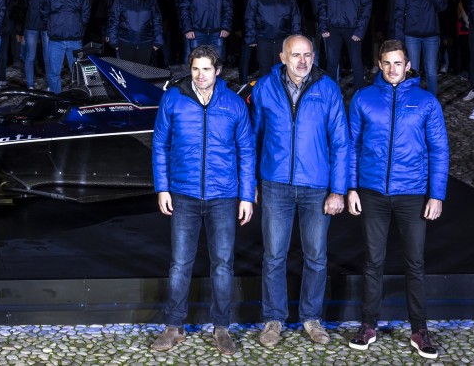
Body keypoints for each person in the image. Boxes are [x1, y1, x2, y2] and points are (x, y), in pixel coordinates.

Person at [347, 40, 449, 359]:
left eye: (398, 63)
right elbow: (351, 145)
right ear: (379, 64)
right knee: (373, 261)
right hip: (373, 192)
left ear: (408, 65)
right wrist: (351, 188)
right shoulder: (363, 98)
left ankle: (419, 329)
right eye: (387, 63)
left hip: (412, 194)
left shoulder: (426, 101)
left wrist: (437, 194)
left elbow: (439, 150)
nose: (393, 70)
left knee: (414, 263)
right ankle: (368, 325)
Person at [150, 44, 255, 356]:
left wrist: (247, 196)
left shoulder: (234, 104)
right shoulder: (174, 99)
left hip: (224, 196)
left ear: (218, 71)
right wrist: (163, 188)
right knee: (180, 263)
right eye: (195, 68)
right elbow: (159, 145)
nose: (200, 75)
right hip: (183, 194)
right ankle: (174, 326)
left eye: (206, 69)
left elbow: (246, 152)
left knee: (222, 264)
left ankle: (221, 328)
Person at [250, 34, 349, 347]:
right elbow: (252, 139)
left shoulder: (328, 88)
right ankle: (273, 319)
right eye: (296, 55)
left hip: (316, 187)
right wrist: (250, 183)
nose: (303, 61)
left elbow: (341, 143)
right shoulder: (265, 88)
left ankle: (311, 317)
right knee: (274, 257)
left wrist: (338, 190)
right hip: (275, 184)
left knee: (316, 257)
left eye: (308, 55)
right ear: (283, 57)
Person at [319, 0, 372, 88]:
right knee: (331, 62)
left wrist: (360, 31)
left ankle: (359, 96)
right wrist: (323, 26)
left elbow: (366, 6)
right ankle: (330, 94)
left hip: (352, 28)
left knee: (356, 62)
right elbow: (322, 3)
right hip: (333, 27)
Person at [394, 0, 448, 95]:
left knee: (431, 71)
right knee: (413, 70)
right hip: (412, 35)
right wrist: (399, 36)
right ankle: (413, 98)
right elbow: (399, 12)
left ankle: (432, 100)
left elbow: (441, 6)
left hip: (431, 35)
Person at [244, 0, 302, 77]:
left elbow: (295, 17)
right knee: (264, 69)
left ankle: (280, 93)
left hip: (283, 39)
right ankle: (265, 93)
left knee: (281, 69)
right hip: (263, 39)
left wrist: (296, 37)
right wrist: (250, 37)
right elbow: (249, 17)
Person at [41, 0, 89, 94]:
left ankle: (76, 98)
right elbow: (44, 14)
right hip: (55, 41)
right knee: (53, 73)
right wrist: (52, 27)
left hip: (75, 40)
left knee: (78, 73)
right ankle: (57, 100)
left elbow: (85, 14)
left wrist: (78, 27)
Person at [107, 0, 163, 65]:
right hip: (125, 43)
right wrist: (114, 42)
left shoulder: (151, 1)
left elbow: (157, 21)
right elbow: (114, 21)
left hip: (146, 43)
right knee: (126, 74)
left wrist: (158, 41)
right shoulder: (120, 1)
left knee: (144, 74)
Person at [15, 0, 49, 88]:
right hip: (31, 26)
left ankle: (50, 83)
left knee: (47, 57)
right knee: (30, 56)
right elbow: (21, 10)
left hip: (46, 26)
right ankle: (30, 84)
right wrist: (19, 30)